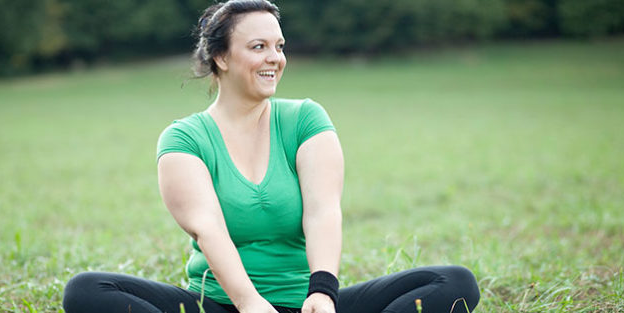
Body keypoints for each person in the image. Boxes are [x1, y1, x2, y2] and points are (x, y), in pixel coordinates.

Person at [62, 1, 481, 313]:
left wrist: (322, 291)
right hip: (223, 306)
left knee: (454, 283)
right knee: (85, 290)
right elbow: (209, 229)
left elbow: (323, 211)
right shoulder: (184, 138)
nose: (274, 58)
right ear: (221, 58)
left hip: (308, 304)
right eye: (258, 46)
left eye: (279, 46)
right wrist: (249, 304)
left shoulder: (305, 118)